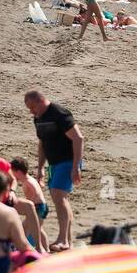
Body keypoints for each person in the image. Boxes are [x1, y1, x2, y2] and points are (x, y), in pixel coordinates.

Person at [24, 90, 84, 250]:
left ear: (40, 101)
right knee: (60, 198)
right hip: (53, 164)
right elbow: (42, 143)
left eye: (32, 107)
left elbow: (78, 138)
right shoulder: (38, 118)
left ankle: (63, 239)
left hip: (68, 161)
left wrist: (76, 167)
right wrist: (41, 168)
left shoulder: (59, 113)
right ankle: (67, 241)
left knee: (58, 195)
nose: (31, 112)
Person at [9, 157, 50, 251]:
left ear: (18, 172)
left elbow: (36, 193)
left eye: (13, 173)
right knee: (38, 229)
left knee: (28, 228)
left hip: (39, 208)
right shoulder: (29, 179)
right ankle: (46, 249)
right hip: (41, 207)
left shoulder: (28, 182)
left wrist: (30, 202)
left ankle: (21, 247)